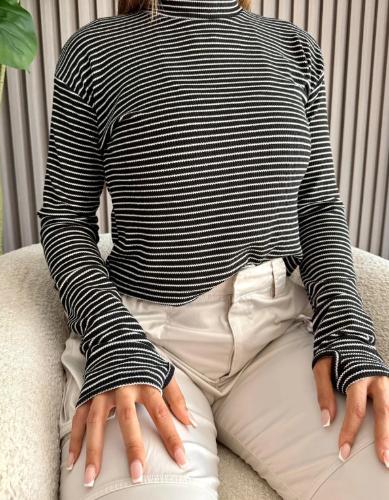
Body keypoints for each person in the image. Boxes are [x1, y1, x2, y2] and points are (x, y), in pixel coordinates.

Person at [36, 0, 389, 498]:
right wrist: (113, 339)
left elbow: (316, 205)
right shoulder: (94, 50)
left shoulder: (294, 48)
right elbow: (65, 218)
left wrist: (347, 328)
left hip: (276, 329)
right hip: (146, 334)